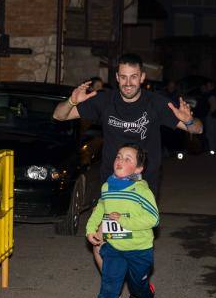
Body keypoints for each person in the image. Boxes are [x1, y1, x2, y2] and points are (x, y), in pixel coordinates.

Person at [52, 53, 203, 201]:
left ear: (142, 77)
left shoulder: (156, 103)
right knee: (107, 223)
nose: (128, 83)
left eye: (134, 76)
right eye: (123, 77)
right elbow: (59, 115)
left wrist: (189, 121)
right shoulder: (104, 100)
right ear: (117, 77)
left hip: (144, 183)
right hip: (111, 182)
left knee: (138, 225)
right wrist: (71, 101)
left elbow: (198, 129)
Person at [85, 144, 158, 298]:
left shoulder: (141, 191)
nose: (120, 161)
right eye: (118, 156)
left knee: (137, 285)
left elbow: (153, 218)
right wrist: (91, 229)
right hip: (115, 248)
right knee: (109, 288)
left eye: (128, 159)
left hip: (139, 249)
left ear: (138, 169)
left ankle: (146, 294)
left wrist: (125, 221)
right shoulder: (107, 187)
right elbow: (100, 208)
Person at [201, 80, 216, 154]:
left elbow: (213, 106)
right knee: (215, 132)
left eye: (208, 86)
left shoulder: (211, 94)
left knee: (210, 133)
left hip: (212, 116)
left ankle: (213, 149)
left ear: (211, 86)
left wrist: (208, 114)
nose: (207, 87)